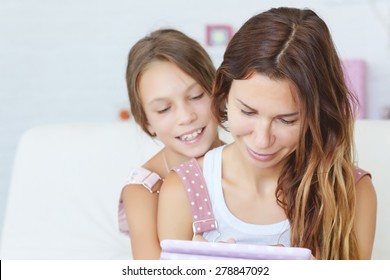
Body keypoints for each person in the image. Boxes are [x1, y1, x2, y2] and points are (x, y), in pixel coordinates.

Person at [157, 7, 377, 260]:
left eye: (286, 120)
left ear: (318, 116)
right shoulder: (184, 189)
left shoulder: (353, 192)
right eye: (248, 112)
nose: (262, 141)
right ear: (225, 93)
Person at [118, 29, 223, 259]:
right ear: (147, 121)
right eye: (164, 109)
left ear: (217, 92)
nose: (186, 117)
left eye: (196, 96)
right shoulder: (144, 190)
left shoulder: (250, 158)